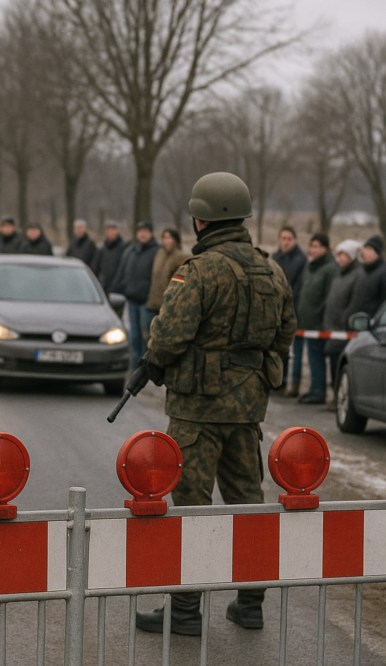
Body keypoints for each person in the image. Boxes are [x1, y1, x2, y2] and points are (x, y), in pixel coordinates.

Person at [136, 172, 296, 636]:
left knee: (190, 504)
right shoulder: (273, 270)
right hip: (247, 409)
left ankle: (185, 611)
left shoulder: (199, 270)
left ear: (200, 219)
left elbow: (169, 335)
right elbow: (286, 330)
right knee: (248, 501)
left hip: (197, 410)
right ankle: (251, 603)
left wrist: (156, 363)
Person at [295, 234, 338, 404]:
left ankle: (319, 391)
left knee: (318, 356)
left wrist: (322, 318)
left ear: (325, 249)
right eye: (311, 245)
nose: (311, 249)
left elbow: (329, 297)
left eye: (316, 246)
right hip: (307, 321)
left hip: (319, 323)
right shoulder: (310, 266)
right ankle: (314, 388)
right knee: (312, 356)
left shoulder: (330, 269)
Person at [114, 221, 159, 368]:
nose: (142, 234)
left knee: (147, 336)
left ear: (151, 233)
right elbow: (122, 271)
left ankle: (147, 366)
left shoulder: (156, 251)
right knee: (133, 336)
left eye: (145, 230)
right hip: (131, 299)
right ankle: (135, 366)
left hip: (147, 302)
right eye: (140, 231)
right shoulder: (131, 250)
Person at [322, 240, 363, 400]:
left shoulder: (357, 275)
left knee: (342, 366)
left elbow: (355, 301)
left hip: (344, 330)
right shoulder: (338, 274)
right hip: (332, 329)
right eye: (338, 255)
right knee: (333, 364)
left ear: (352, 256)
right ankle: (335, 394)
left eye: (344, 255)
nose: (340, 259)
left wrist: (345, 318)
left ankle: (342, 398)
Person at [272, 226, 307, 397]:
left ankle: (292, 382)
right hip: (275, 309)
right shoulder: (276, 257)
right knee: (277, 349)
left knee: (293, 350)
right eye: (283, 238)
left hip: (291, 308)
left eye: (289, 239)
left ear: (295, 240)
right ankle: (278, 381)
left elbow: (296, 287)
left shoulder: (300, 260)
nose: (285, 242)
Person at [347, 234, 386, 319]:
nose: (365, 252)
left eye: (369, 249)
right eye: (365, 248)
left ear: (376, 253)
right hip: (358, 322)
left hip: (373, 322)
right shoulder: (362, 271)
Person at [145, 228, 187, 315]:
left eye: (169, 238)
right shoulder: (159, 254)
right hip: (154, 303)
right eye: (165, 238)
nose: (167, 241)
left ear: (175, 240)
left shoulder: (180, 257)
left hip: (169, 305)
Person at [93, 220, 126, 295]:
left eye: (113, 229)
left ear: (118, 231)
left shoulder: (124, 248)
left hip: (119, 289)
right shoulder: (102, 249)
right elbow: (96, 267)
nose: (111, 232)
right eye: (109, 230)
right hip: (104, 287)